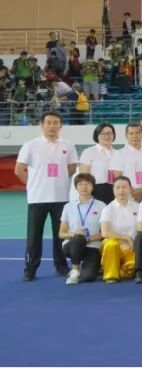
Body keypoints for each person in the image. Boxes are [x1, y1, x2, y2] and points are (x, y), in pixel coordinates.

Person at [16, 111, 79, 281]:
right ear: (41, 125)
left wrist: (60, 181)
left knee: (60, 235)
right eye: (49, 122)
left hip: (61, 198)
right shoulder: (30, 145)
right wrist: (31, 185)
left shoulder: (68, 145)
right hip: (37, 198)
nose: (52, 126)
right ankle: (30, 269)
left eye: (56, 122)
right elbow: (19, 169)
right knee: (34, 236)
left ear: (61, 125)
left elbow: (72, 168)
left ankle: (61, 266)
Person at [59, 173, 104, 284]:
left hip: (92, 246)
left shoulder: (102, 206)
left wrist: (87, 238)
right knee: (78, 238)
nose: (84, 187)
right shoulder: (68, 207)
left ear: (93, 186)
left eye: (87, 184)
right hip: (72, 245)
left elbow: (104, 233)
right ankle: (75, 270)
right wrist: (73, 234)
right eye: (80, 184)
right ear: (76, 187)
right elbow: (61, 233)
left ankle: (89, 267)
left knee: (88, 277)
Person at [98, 177, 139, 283]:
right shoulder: (108, 209)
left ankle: (113, 266)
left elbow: (141, 227)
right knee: (111, 244)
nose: (121, 190)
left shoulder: (138, 207)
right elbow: (105, 233)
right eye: (118, 187)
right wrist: (125, 238)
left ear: (130, 189)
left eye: (125, 187)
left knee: (130, 272)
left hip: (130, 246)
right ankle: (110, 275)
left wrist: (131, 241)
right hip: (113, 245)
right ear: (113, 190)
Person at [108, 123, 142, 201]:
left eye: (137, 133)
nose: (135, 136)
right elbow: (118, 177)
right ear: (126, 136)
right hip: (128, 195)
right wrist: (134, 193)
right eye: (131, 133)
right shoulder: (119, 154)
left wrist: (141, 191)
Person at [77, 123, 117, 203]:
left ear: (113, 135)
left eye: (109, 133)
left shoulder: (117, 153)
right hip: (96, 190)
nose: (107, 136)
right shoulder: (89, 152)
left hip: (115, 190)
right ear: (97, 135)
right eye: (103, 133)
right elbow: (84, 176)